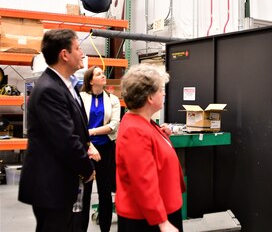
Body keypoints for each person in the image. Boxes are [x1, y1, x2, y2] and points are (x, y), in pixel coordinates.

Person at [18, 29, 96, 232]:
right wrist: (87, 169)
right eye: (78, 48)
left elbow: (76, 129)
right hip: (51, 186)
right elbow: (65, 140)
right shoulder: (49, 90)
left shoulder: (67, 85)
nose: (83, 54)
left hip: (63, 182)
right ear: (64, 54)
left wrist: (87, 146)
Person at [115, 64, 185, 232]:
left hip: (160, 210)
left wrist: (163, 137)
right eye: (161, 89)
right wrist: (162, 222)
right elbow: (143, 181)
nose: (164, 93)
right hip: (147, 220)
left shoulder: (144, 124)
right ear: (149, 98)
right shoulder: (135, 131)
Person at [79, 66, 121, 232]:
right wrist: (89, 142)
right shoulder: (81, 98)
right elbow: (77, 124)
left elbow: (114, 125)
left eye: (103, 74)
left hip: (106, 149)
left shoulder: (113, 99)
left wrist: (91, 131)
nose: (103, 76)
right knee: (85, 192)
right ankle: (81, 228)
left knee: (105, 192)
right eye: (98, 74)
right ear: (90, 80)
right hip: (86, 148)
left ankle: (105, 229)